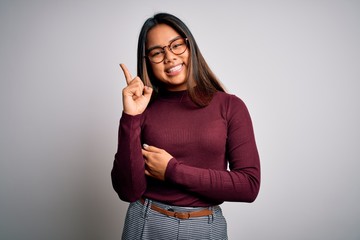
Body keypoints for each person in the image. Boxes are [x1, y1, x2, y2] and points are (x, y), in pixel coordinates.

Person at [111, 12, 260, 240]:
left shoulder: (230, 106)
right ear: (147, 61)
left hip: (205, 227)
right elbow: (128, 190)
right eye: (157, 52)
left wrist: (172, 171)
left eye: (176, 45)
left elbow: (248, 186)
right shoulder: (144, 108)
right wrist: (130, 116)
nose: (169, 57)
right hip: (145, 224)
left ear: (190, 46)